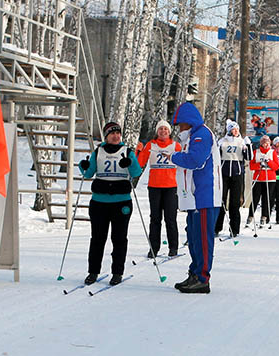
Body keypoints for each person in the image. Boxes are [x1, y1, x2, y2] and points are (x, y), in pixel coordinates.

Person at [79, 121, 143, 286]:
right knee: (98, 238)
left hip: (121, 202)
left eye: (118, 133)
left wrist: (130, 163)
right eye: (112, 133)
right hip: (99, 202)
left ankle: (117, 272)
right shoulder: (98, 151)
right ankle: (93, 272)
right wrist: (83, 166)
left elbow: (136, 172)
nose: (116, 136)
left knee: (119, 238)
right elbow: (88, 173)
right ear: (106, 136)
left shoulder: (127, 152)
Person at [171, 101, 221, 294]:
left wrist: (173, 157)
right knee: (193, 237)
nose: (179, 129)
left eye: (181, 125)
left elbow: (195, 160)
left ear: (188, 122)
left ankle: (202, 277)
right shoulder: (192, 136)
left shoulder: (201, 135)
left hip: (204, 195)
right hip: (194, 196)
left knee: (202, 238)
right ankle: (195, 272)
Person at [136, 120, 182, 258]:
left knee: (171, 219)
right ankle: (153, 248)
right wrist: (138, 151)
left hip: (171, 187)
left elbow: (183, 164)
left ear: (169, 132)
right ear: (157, 131)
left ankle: (173, 247)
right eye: (161, 129)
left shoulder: (176, 146)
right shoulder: (151, 145)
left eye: (166, 130)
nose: (163, 132)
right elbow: (140, 163)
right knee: (155, 219)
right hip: (155, 187)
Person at [215, 120, 250, 238]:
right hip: (224, 174)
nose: (235, 131)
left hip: (237, 174)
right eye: (233, 129)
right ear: (229, 130)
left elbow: (249, 157)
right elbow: (216, 156)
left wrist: (248, 146)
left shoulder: (241, 142)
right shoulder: (222, 141)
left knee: (234, 203)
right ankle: (217, 227)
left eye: (236, 129)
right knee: (221, 201)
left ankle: (234, 228)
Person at [249, 135, 277, 223]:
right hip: (258, 178)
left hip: (270, 179)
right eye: (264, 143)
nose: (266, 145)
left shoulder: (272, 152)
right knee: (255, 198)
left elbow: (276, 166)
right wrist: (259, 165)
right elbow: (251, 166)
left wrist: (269, 161)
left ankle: (264, 216)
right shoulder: (256, 152)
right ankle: (250, 215)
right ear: (261, 144)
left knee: (266, 198)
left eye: (267, 143)